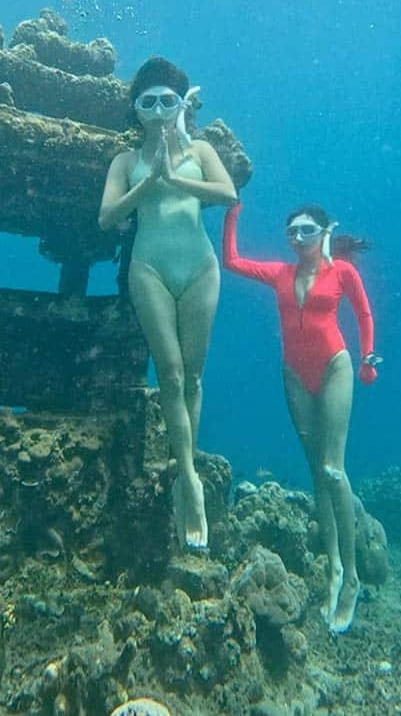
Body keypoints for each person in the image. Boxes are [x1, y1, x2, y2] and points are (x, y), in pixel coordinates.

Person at [222, 200, 381, 633]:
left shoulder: (342, 273)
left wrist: (368, 357)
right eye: (291, 231)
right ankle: (331, 568)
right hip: (294, 375)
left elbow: (363, 314)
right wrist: (232, 210)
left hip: (335, 368)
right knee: (316, 473)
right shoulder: (280, 273)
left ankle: (351, 578)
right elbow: (232, 261)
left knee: (334, 470)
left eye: (306, 230)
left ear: (324, 232)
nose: (296, 238)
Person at [99, 57, 237, 549]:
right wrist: (149, 180)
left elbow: (227, 192)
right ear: (135, 110)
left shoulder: (199, 148)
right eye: (147, 101)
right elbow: (106, 217)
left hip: (199, 268)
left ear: (180, 105)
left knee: (194, 376)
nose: (157, 110)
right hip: (150, 269)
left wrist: (175, 178)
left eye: (167, 101)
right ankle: (191, 479)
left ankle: (185, 471)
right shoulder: (124, 160)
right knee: (171, 375)